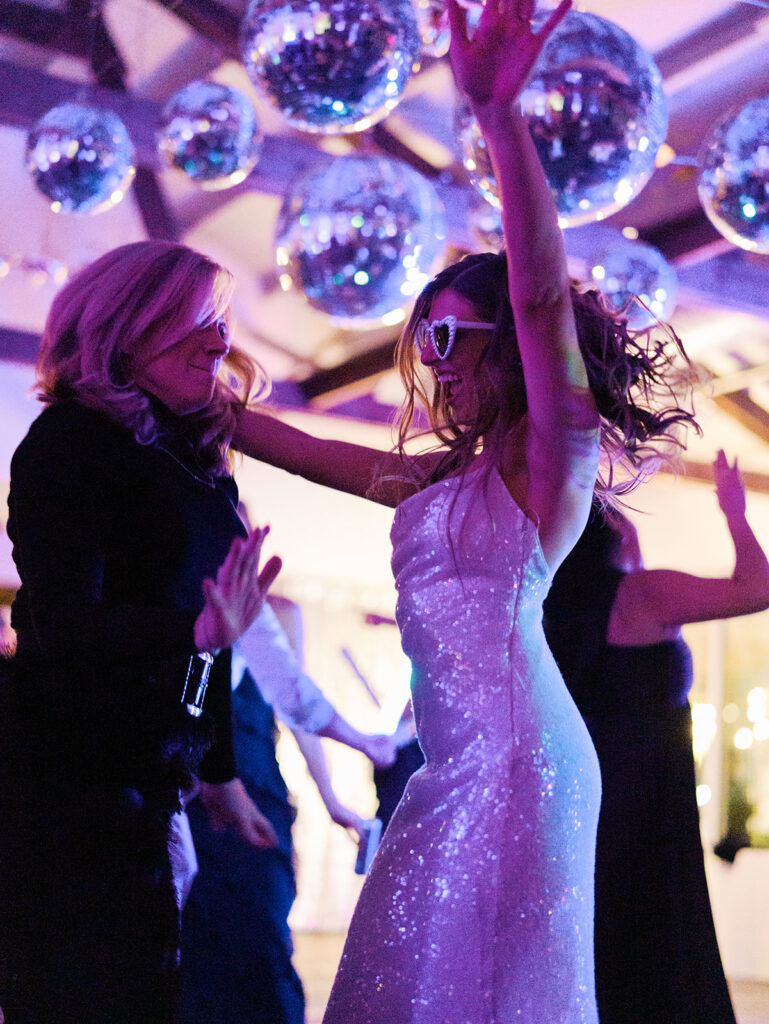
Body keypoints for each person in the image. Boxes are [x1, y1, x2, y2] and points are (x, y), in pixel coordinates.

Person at [231, 1, 699, 1019]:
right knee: (404, 981)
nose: (436, 361)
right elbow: (313, 453)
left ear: (508, 347)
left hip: (524, 760)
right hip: (452, 763)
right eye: (426, 340)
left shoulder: (551, 457)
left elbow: (539, 299)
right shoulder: (441, 480)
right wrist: (208, 409)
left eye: (454, 337)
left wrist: (497, 115)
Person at [0, 240, 282, 1024]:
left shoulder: (195, 461)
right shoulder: (71, 440)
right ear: (123, 328)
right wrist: (195, 628)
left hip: (150, 770)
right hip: (69, 776)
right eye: (199, 319)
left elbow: (211, 635)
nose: (221, 341)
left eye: (223, 321)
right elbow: (60, 621)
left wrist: (221, 774)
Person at [542, 450, 769, 1024]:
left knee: (600, 933)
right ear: (610, 538)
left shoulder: (550, 612)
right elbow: (757, 587)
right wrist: (734, 512)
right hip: (650, 796)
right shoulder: (642, 595)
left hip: (585, 797)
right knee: (657, 935)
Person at [179, 592, 397, 1024]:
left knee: (263, 934)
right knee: (193, 945)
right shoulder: (179, 594)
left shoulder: (276, 612)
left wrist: (332, 798)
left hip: (257, 783)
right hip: (188, 787)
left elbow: (293, 698)